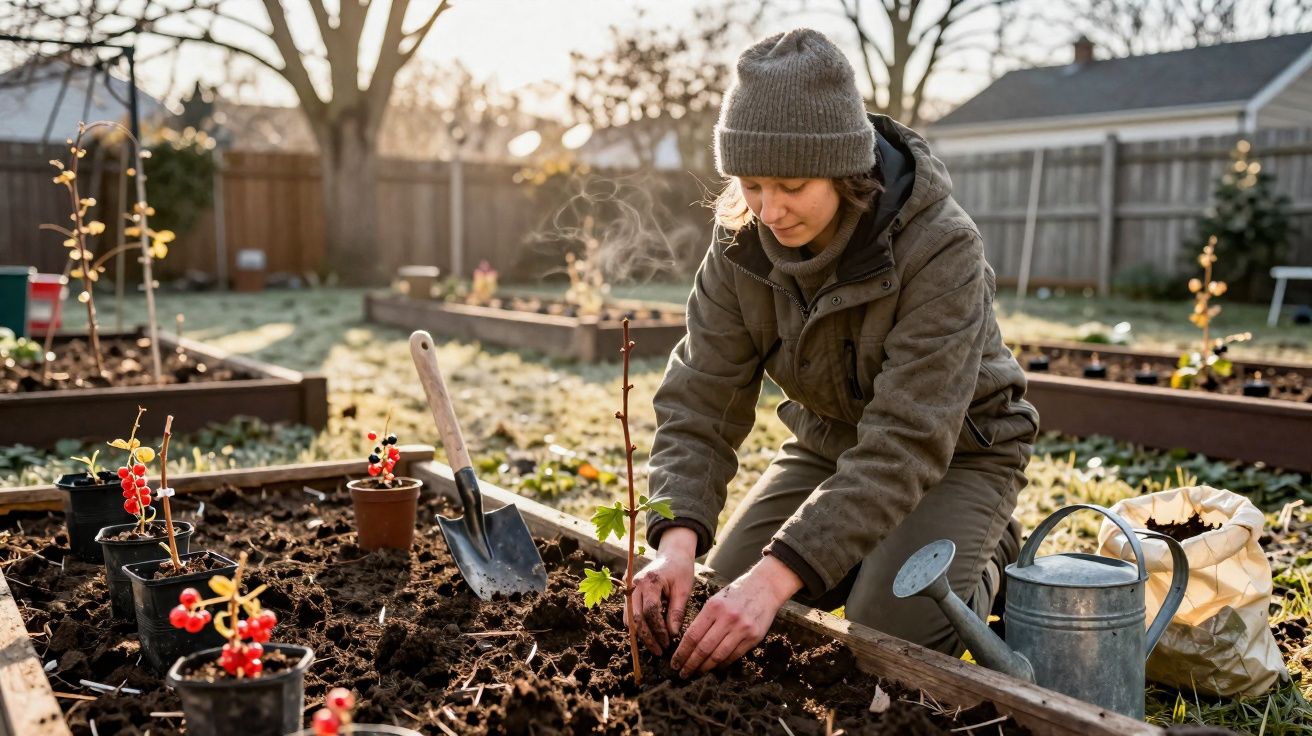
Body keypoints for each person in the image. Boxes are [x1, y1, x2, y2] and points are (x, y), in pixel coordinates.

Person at [628, 27, 1040, 679]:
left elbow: (907, 440)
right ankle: (853, 555)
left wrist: (776, 577)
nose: (768, 208)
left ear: (845, 168)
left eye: (790, 184)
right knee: (720, 598)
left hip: (957, 453)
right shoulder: (741, 242)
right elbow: (699, 399)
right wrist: (675, 540)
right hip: (828, 446)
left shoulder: (940, 247)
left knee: (886, 635)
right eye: (751, 183)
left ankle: (987, 550)